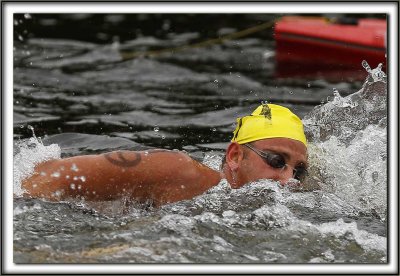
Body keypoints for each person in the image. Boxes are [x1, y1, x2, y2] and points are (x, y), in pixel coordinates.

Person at [21, 103, 308, 207]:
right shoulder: (179, 171)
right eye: (276, 161)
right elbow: (44, 176)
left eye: (298, 171)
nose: (287, 180)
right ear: (234, 156)